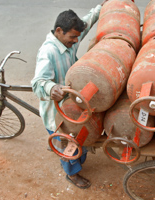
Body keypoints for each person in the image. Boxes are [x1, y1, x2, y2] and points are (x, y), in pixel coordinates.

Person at [31, 0, 108, 189]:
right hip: (58, 112)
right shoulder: (48, 52)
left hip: (74, 103)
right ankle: (72, 174)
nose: (76, 41)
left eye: (77, 37)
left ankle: (74, 157)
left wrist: (101, 7)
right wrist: (51, 88)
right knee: (68, 143)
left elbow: (87, 22)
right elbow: (37, 83)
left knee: (79, 137)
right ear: (59, 30)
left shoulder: (69, 39)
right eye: (73, 37)